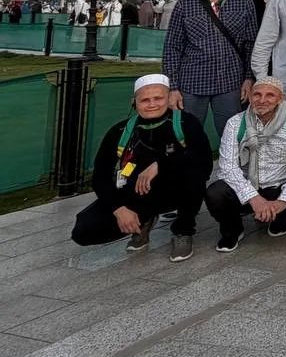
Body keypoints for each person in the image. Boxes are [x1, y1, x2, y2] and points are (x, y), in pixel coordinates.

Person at [71, 74, 212, 262]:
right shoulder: (120, 132)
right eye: (145, 100)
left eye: (158, 98)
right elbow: (100, 176)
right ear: (134, 102)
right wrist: (119, 209)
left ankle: (183, 230)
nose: (152, 104)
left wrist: (160, 165)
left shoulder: (186, 123)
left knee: (193, 174)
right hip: (138, 194)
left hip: (177, 191)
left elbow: (204, 163)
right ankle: (144, 221)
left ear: (168, 98)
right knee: (84, 230)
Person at [205, 76, 286, 251]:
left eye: (270, 95)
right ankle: (233, 229)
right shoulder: (235, 123)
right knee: (215, 193)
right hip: (246, 184)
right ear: (250, 96)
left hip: (278, 186)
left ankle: (276, 220)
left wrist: (283, 201)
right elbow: (228, 167)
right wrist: (254, 198)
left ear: (280, 99)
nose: (262, 100)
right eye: (257, 94)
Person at [163, 0, 257, 136]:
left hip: (230, 82)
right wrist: (172, 87)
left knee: (233, 135)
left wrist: (249, 78)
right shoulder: (184, 5)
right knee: (187, 134)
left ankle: (230, 157)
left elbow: (250, 44)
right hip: (192, 83)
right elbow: (172, 48)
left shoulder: (244, 2)